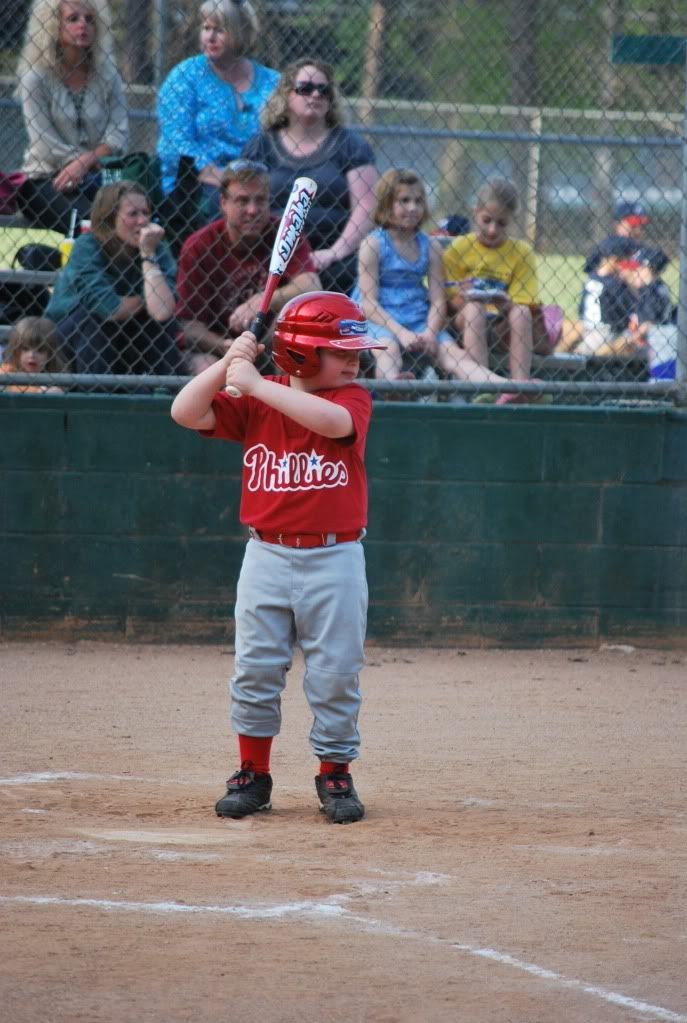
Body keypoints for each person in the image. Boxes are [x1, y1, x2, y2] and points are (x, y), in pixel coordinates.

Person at [170, 291, 387, 824]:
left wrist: (260, 383)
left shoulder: (352, 399)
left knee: (335, 673)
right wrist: (229, 363)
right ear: (299, 355)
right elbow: (184, 411)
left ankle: (335, 772)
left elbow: (332, 425)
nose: (354, 359)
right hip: (265, 556)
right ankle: (252, 774)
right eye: (340, 350)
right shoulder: (255, 404)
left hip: (335, 559)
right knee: (255, 670)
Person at [353, 168, 504, 389]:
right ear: (386, 204)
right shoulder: (373, 245)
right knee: (388, 350)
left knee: (454, 354)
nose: (413, 207)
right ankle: (394, 391)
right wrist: (401, 333)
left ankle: (506, 387)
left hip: (416, 316)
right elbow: (368, 304)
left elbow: (437, 299)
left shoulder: (430, 246)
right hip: (377, 320)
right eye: (404, 201)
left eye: (418, 201)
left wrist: (431, 333)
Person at [241, 58, 377, 294]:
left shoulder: (351, 146)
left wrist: (335, 252)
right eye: (305, 88)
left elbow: (366, 207)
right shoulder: (261, 145)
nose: (315, 95)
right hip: (269, 253)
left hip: (333, 257)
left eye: (323, 91)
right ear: (286, 94)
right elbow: (242, 199)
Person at [175, 160, 321, 375]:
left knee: (292, 347)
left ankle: (282, 407)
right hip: (218, 348)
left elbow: (311, 285)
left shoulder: (286, 234)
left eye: (260, 200)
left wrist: (263, 300)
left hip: (270, 344)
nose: (253, 210)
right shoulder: (198, 246)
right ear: (223, 203)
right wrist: (229, 348)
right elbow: (189, 327)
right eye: (242, 201)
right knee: (206, 368)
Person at [46, 181, 183, 378]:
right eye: (132, 214)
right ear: (110, 218)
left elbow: (162, 311)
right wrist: (145, 300)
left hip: (130, 334)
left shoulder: (155, 247)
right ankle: (95, 396)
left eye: (145, 212)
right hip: (69, 336)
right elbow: (108, 308)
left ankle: (162, 394)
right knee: (94, 319)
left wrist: (148, 254)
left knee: (160, 325)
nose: (142, 221)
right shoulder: (88, 245)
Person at [157, 0, 279, 219]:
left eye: (219, 30)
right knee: (224, 207)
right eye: (206, 28)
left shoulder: (273, 82)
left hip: (261, 182)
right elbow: (177, 144)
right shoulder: (184, 77)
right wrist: (225, 179)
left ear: (240, 32)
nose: (210, 37)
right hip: (199, 183)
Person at [15, 0, 129, 234]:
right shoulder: (35, 79)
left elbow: (119, 134)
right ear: (53, 25)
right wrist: (81, 162)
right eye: (73, 19)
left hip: (100, 176)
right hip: (47, 179)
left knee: (134, 215)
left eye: (89, 19)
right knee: (91, 223)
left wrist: (86, 161)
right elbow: (44, 143)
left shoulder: (108, 76)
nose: (83, 25)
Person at [442, 177, 544, 403]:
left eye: (502, 223)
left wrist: (504, 303)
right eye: (486, 220)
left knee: (521, 313)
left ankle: (519, 387)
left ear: (512, 221)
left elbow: (523, 302)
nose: (492, 229)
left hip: (500, 324)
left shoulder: (521, 252)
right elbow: (447, 303)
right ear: (475, 212)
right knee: (475, 309)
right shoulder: (459, 248)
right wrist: (461, 296)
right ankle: (482, 389)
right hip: (464, 322)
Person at [574, 237, 642, 358]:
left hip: (587, 330)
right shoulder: (616, 284)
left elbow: (580, 310)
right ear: (614, 260)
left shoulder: (591, 278)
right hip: (608, 334)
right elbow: (631, 311)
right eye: (625, 261)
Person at [583, 200, 661, 276]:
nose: (638, 229)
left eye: (641, 225)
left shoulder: (645, 250)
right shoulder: (606, 246)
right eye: (634, 224)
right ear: (618, 223)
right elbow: (590, 270)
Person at [0, 316, 65, 393]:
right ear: (16, 351)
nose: (32, 355)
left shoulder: (55, 374)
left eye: (40, 350)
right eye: (25, 349)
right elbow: (5, 387)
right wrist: (38, 391)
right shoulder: (8, 369)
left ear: (50, 354)